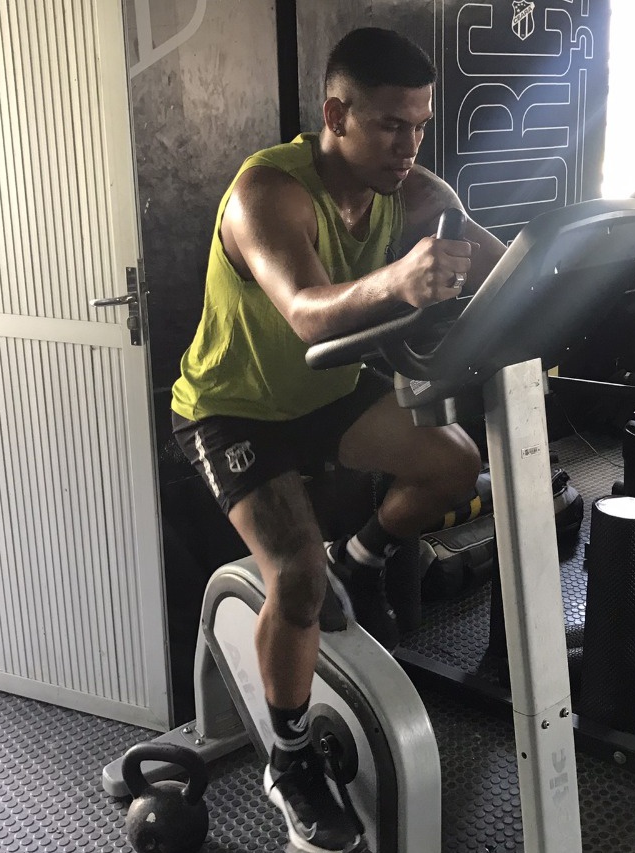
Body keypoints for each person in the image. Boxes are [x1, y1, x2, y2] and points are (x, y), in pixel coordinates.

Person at [169, 27, 506, 853]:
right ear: (335, 114)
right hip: (234, 410)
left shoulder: (414, 190)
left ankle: (361, 558)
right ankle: (289, 758)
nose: (408, 145)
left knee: (454, 464)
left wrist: (591, 261)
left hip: (327, 392)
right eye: (390, 125)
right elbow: (306, 311)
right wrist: (400, 279)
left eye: (420, 125)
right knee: (295, 576)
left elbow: (505, 265)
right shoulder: (267, 195)